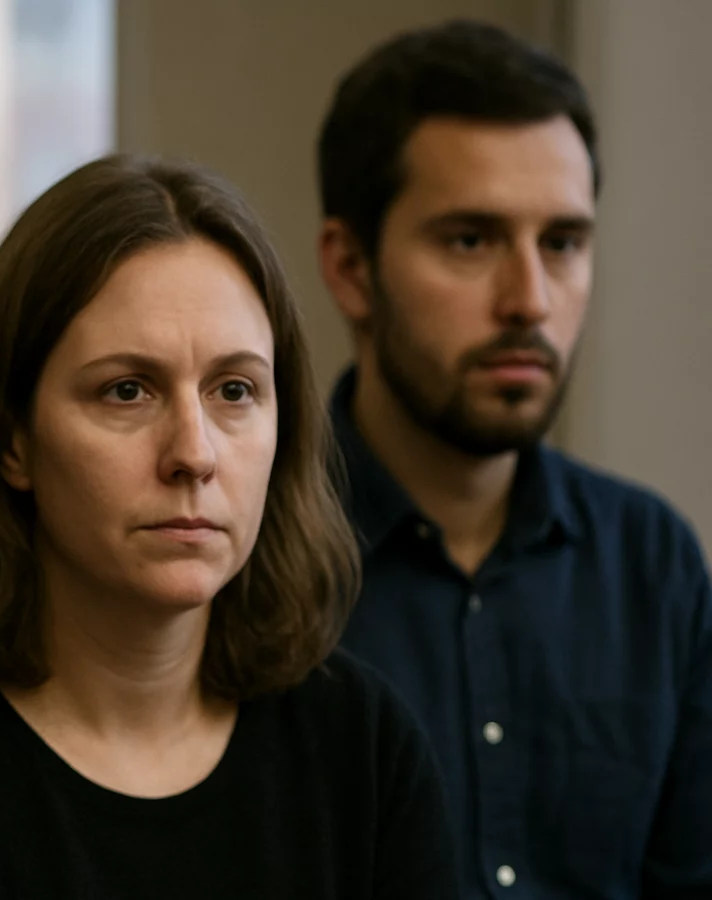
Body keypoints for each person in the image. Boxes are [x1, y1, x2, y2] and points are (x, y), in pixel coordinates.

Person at [0, 155, 458, 899]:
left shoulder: (364, 747)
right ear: (13, 441)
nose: (194, 454)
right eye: (127, 391)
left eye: (234, 390)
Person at [316, 20, 712, 898]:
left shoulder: (651, 565)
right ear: (349, 268)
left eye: (562, 243)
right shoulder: (249, 556)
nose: (530, 300)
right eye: (471, 240)